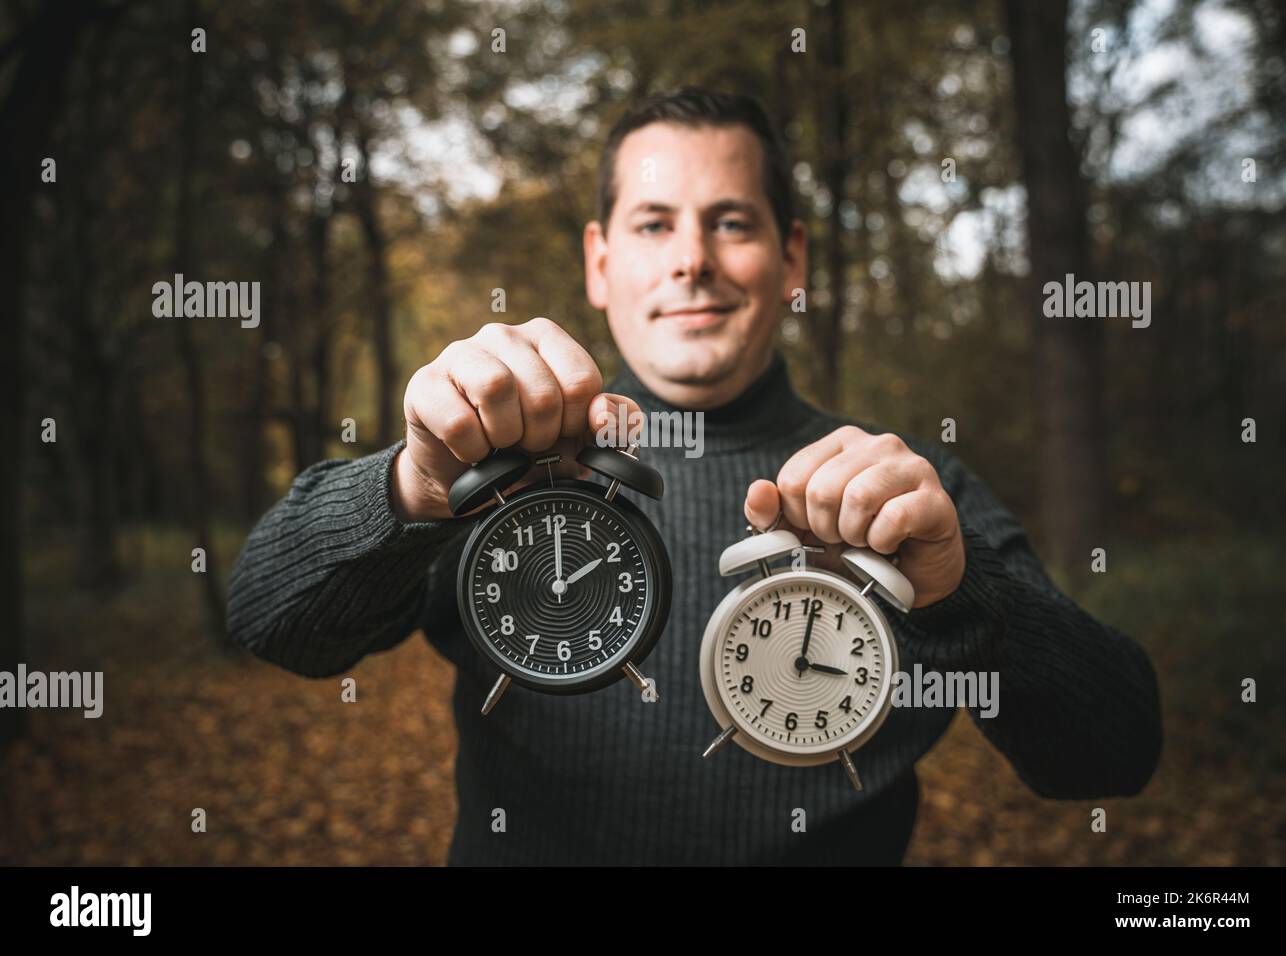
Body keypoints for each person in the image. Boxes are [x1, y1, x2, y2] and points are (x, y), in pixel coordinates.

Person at [226, 87, 1162, 865]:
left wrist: (965, 595)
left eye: (730, 222)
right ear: (601, 261)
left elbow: (1115, 751)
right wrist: (411, 488)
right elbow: (270, 621)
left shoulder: (912, 501)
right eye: (653, 224)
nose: (691, 260)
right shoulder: (492, 464)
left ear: (791, 258)